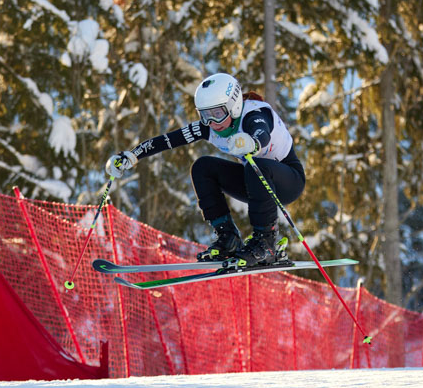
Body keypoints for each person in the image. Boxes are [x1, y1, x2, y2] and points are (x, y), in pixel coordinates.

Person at [105, 73, 305, 267]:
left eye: (217, 114)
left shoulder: (254, 113)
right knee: (203, 167)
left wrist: (252, 142)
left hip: (288, 182)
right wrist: (132, 155)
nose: (211, 122)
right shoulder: (209, 127)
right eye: (205, 115)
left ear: (233, 106)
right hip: (255, 183)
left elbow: (262, 133)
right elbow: (168, 140)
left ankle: (266, 242)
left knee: (257, 166)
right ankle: (228, 238)